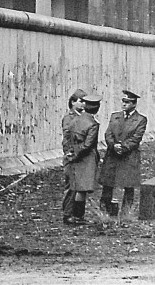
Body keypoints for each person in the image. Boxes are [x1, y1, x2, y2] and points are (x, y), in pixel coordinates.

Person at [99, 90, 148, 216]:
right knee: (108, 183)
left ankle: (126, 213)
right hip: (112, 155)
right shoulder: (115, 116)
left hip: (129, 156)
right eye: (123, 101)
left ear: (134, 104)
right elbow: (108, 134)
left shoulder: (140, 120)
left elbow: (137, 138)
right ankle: (105, 211)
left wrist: (123, 147)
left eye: (127, 102)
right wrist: (113, 145)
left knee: (128, 185)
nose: (124, 104)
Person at [62, 93, 102, 225]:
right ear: (97, 108)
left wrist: (70, 153)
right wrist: (77, 154)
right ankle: (78, 216)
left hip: (72, 157)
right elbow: (88, 144)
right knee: (82, 189)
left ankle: (70, 214)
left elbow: (66, 138)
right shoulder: (93, 124)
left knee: (73, 186)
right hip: (86, 159)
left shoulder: (74, 120)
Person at [61, 88, 86, 224]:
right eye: (81, 101)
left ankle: (77, 215)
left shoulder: (82, 117)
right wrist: (69, 153)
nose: (83, 105)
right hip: (72, 156)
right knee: (71, 186)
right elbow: (67, 137)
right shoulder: (69, 118)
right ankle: (68, 214)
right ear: (73, 102)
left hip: (80, 156)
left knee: (79, 186)